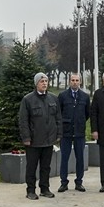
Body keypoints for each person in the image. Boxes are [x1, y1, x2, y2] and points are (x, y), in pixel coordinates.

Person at [19, 72, 62, 200]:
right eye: (41, 81)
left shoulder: (53, 98)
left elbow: (58, 118)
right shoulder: (28, 99)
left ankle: (45, 188)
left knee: (46, 167)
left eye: (46, 81)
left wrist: (59, 134)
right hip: (34, 141)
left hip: (49, 140)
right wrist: (26, 138)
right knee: (31, 167)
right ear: (36, 83)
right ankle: (31, 190)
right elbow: (23, 121)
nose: (44, 84)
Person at [57, 73, 89, 192]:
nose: (75, 82)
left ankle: (79, 182)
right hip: (66, 132)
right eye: (73, 80)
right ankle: (63, 182)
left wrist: (79, 122)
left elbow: (87, 113)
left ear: (80, 82)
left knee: (80, 158)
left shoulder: (85, 97)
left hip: (79, 132)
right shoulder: (62, 96)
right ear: (69, 81)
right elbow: (59, 113)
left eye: (77, 80)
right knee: (64, 158)